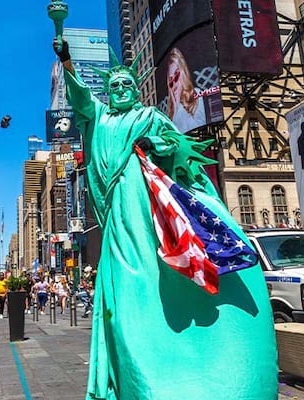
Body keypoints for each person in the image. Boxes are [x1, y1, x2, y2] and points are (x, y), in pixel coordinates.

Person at [53, 37, 276, 399]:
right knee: (128, 297)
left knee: (167, 282)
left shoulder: (151, 116)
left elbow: (177, 149)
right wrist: (65, 59)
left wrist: (158, 145)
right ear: (107, 93)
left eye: (127, 84)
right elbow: (79, 96)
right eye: (115, 86)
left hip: (156, 213)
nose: (122, 89)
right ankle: (141, 381)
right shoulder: (99, 117)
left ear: (136, 90)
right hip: (121, 224)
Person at [165, 47, 206, 133]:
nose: (174, 84)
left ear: (183, 73)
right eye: (171, 80)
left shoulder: (196, 94)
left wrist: (178, 109)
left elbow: (200, 125)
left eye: (176, 75)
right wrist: (175, 106)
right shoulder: (170, 110)